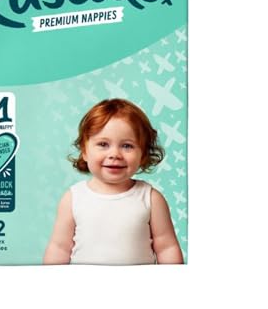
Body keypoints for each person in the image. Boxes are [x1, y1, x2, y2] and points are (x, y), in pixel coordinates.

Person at [43, 98, 183, 265]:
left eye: (127, 146)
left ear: (143, 154)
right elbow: (59, 248)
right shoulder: (73, 198)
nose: (115, 154)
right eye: (103, 144)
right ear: (84, 151)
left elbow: (167, 248)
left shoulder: (150, 199)